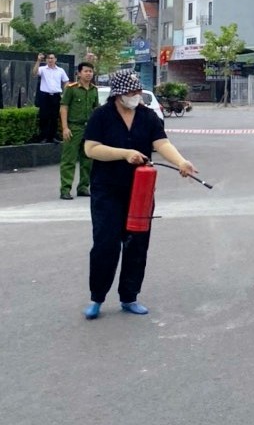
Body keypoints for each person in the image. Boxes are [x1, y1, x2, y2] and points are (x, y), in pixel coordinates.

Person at [81, 70, 197, 319]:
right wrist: (124, 153)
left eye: (137, 91)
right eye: (131, 93)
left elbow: (161, 143)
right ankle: (97, 298)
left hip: (140, 191)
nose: (136, 96)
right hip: (107, 189)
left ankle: (129, 296)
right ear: (118, 93)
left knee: (137, 244)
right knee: (105, 244)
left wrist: (181, 162)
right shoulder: (101, 116)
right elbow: (91, 149)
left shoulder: (147, 116)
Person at [59, 62, 98, 200]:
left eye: (91, 71)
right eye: (86, 71)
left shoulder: (94, 90)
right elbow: (64, 108)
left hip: (88, 128)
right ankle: (65, 189)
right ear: (79, 73)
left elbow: (95, 110)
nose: (89, 74)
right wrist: (65, 128)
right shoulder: (71, 88)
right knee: (69, 160)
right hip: (73, 127)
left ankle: (83, 187)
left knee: (88, 159)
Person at [33, 53, 69, 142]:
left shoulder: (60, 70)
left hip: (56, 96)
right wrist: (38, 61)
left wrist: (65, 93)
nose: (50, 60)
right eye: (48, 58)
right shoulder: (43, 69)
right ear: (46, 60)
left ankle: (52, 137)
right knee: (44, 117)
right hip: (45, 96)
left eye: (52, 58)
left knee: (54, 117)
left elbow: (66, 81)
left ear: (55, 59)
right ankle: (44, 136)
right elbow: (34, 73)